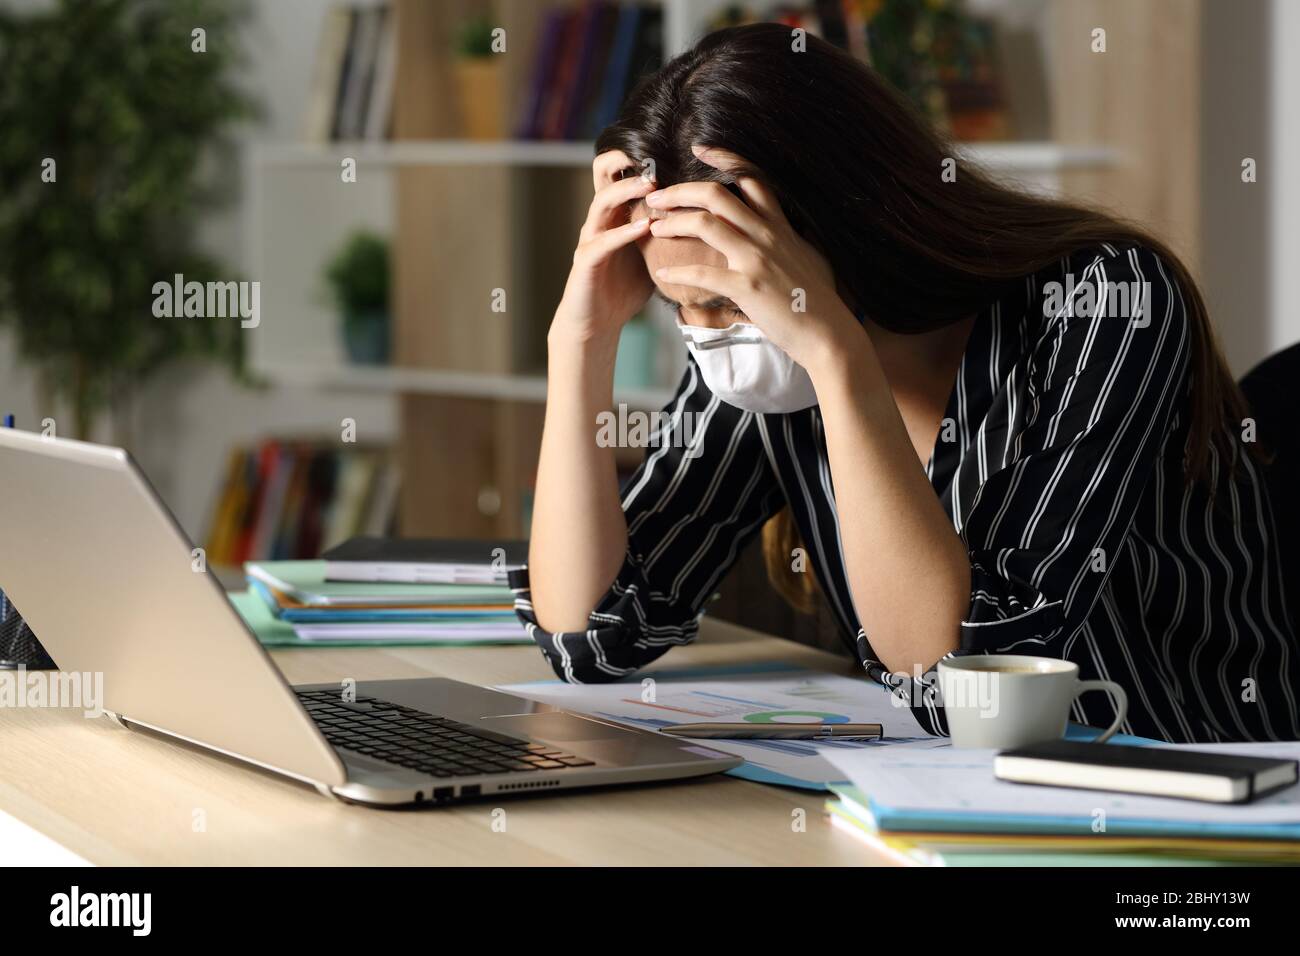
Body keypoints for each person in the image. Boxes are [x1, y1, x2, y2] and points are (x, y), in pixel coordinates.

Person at [511, 24, 1299, 743]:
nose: (713, 336)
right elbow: (593, 638)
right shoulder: (762, 370)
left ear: (846, 229)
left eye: (729, 300)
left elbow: (965, 676)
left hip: (1190, 795)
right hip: (953, 806)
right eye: (683, 307)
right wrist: (579, 343)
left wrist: (835, 354)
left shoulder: (1104, 299)